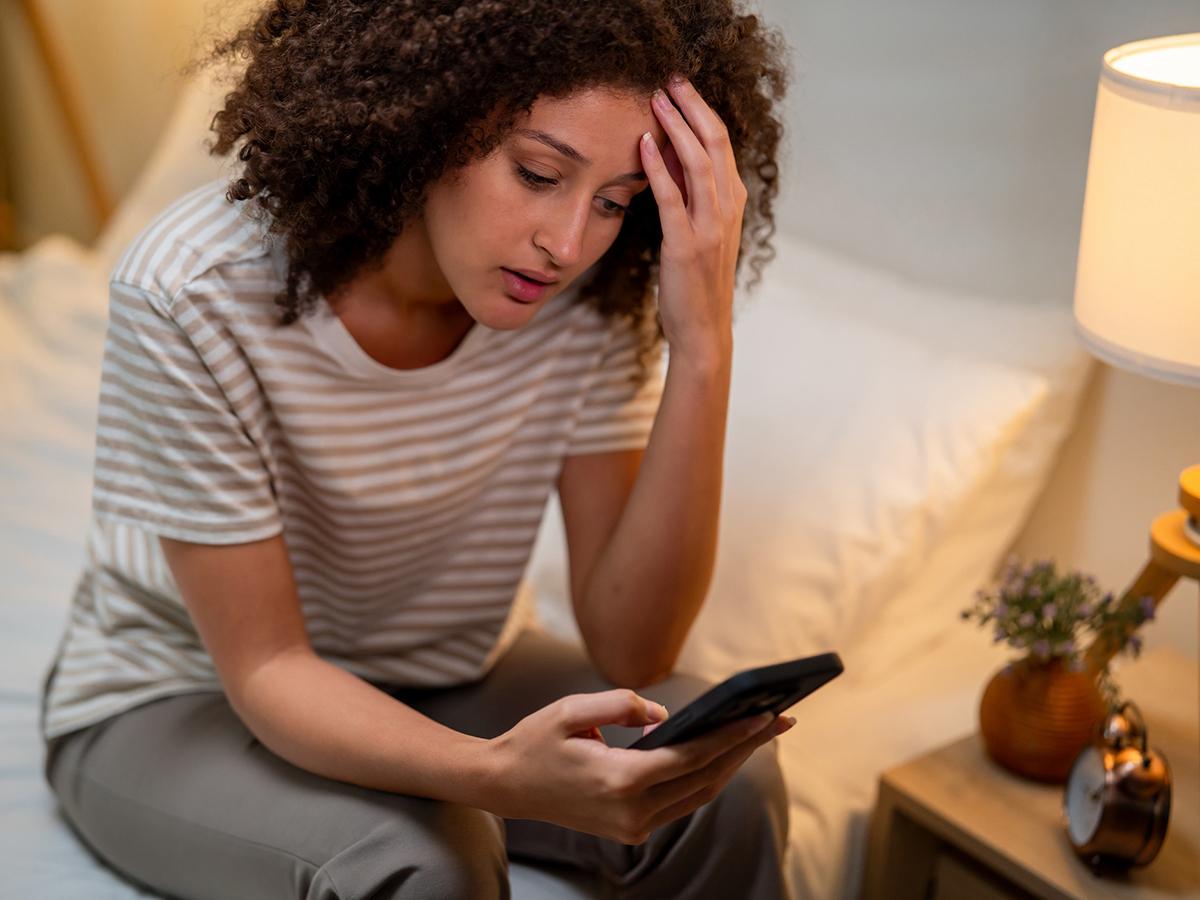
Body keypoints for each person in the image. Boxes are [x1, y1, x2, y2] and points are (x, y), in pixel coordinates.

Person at [39, 1, 791, 897]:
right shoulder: (191, 293)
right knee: (428, 862)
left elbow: (635, 645)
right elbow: (269, 666)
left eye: (616, 203)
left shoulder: (589, 306)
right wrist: (498, 777)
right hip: (183, 694)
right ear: (429, 117)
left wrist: (702, 346)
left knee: (722, 779)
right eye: (538, 172)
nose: (567, 244)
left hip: (443, 668)